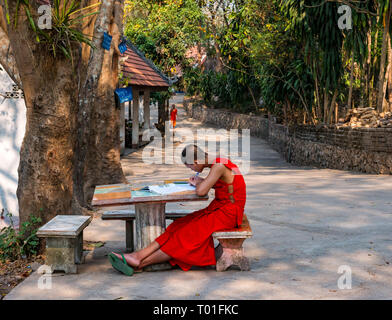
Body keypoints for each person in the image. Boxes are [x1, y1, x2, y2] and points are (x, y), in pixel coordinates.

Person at [110, 144, 246, 274]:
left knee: (185, 235)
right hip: (219, 208)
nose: (192, 169)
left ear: (197, 160)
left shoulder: (219, 165)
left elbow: (201, 192)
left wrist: (200, 184)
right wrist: (201, 182)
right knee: (178, 225)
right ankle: (137, 256)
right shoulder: (217, 161)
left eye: (191, 166)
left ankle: (141, 263)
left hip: (228, 214)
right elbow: (220, 185)